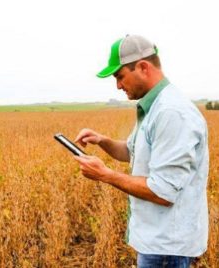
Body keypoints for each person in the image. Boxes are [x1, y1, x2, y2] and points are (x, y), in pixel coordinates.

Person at [74, 35, 209, 268]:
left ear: (143, 67)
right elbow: (132, 151)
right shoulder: (156, 107)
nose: (117, 85)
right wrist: (102, 140)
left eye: (119, 76)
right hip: (158, 243)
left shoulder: (171, 112)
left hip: (167, 249)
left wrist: (105, 174)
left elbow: (163, 191)